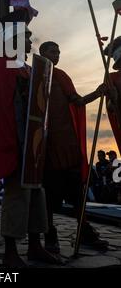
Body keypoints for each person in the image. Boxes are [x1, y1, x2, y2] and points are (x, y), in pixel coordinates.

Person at [0, 26, 59, 268]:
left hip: (34, 146)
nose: (31, 43)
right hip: (16, 142)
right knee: (16, 196)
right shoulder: (2, 66)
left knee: (36, 194)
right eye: (28, 39)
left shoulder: (30, 69)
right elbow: (3, 108)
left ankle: (35, 245)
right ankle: (10, 250)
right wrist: (14, 142)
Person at [39, 41, 108, 253]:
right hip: (47, 145)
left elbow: (77, 101)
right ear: (42, 53)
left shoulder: (61, 76)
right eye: (53, 51)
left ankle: (84, 231)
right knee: (49, 193)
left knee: (77, 193)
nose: (57, 54)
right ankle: (50, 234)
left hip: (67, 142)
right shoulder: (34, 76)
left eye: (59, 51)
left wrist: (98, 93)